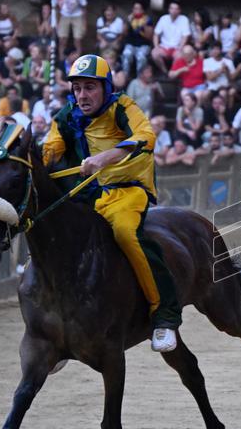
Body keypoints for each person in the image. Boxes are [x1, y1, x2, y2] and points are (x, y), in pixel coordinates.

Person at [43, 54, 182, 353]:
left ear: (105, 86)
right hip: (88, 196)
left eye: (89, 87)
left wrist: (105, 157)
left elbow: (147, 136)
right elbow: (49, 151)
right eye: (77, 88)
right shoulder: (65, 116)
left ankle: (164, 316)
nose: (82, 95)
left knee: (125, 233)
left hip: (128, 190)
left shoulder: (123, 107)